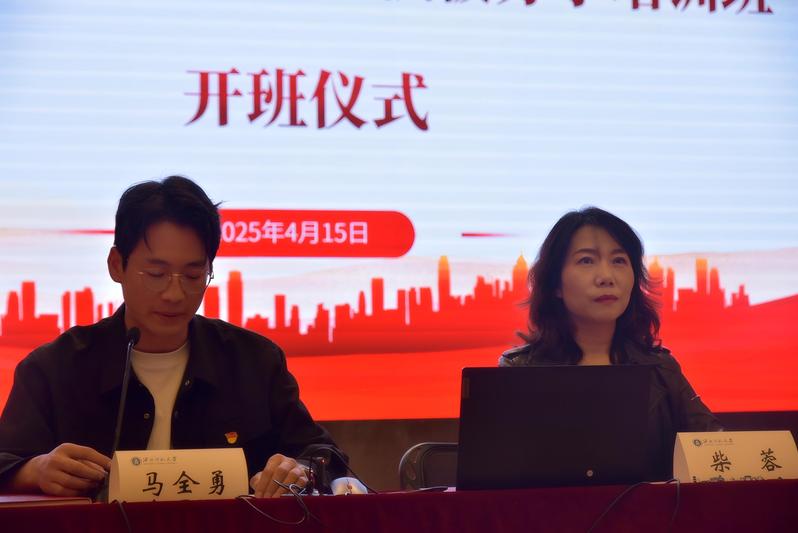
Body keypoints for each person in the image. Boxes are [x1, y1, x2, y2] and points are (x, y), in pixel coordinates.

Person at [0, 176, 347, 498]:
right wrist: (35, 470)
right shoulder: (56, 367)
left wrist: (299, 469)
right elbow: (6, 459)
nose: (175, 294)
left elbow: (323, 455)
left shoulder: (253, 361)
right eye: (156, 274)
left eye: (194, 276)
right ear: (116, 265)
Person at [500, 206, 722, 480]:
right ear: (555, 284)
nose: (606, 277)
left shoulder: (661, 369)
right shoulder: (521, 370)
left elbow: (715, 446)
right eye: (586, 261)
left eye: (619, 261)